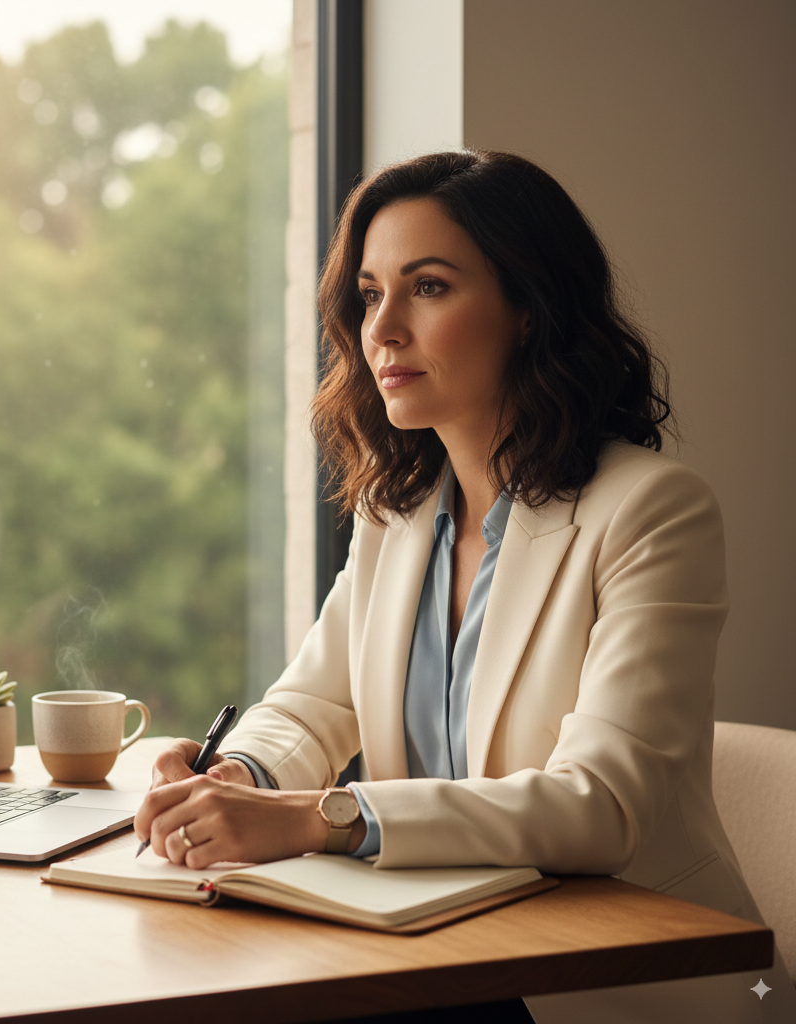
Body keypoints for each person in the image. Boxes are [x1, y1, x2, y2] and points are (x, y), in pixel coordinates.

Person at [133, 150, 795, 1023]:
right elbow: (311, 706)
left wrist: (320, 818)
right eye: (370, 295)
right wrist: (242, 778)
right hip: (444, 951)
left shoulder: (652, 511)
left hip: (612, 983)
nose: (383, 329)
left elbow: (599, 807)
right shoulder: (396, 517)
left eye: (429, 287)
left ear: (529, 308)